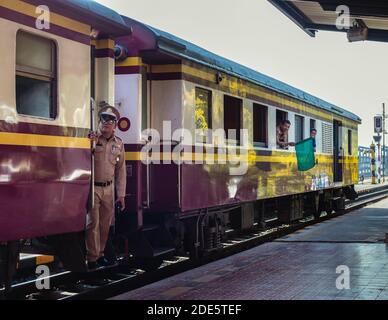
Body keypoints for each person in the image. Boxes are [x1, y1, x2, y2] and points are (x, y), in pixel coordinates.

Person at [86, 104, 126, 270]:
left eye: (110, 120)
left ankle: (101, 254)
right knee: (93, 223)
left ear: (115, 125)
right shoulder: (93, 139)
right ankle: (92, 257)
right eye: (103, 119)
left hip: (109, 189)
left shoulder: (119, 144)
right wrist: (91, 143)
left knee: (104, 224)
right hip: (94, 187)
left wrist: (121, 194)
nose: (106, 123)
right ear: (99, 122)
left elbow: (121, 170)